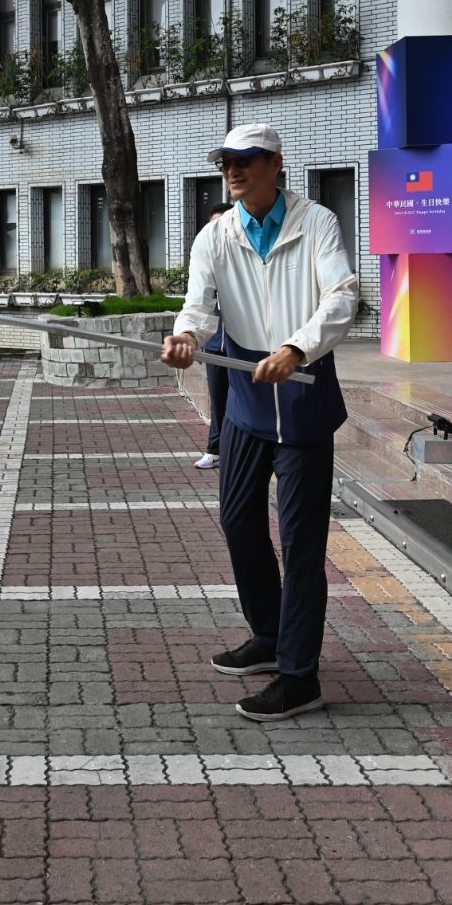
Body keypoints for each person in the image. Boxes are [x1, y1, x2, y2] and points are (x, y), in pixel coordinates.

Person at [163, 123, 358, 723]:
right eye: (226, 162)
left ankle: (299, 676)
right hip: (248, 398)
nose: (233, 171)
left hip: (301, 391)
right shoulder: (216, 235)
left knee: (302, 543)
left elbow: (343, 297)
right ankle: (270, 634)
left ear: (276, 163)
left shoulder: (316, 222)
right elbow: (200, 302)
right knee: (238, 519)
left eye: (246, 161)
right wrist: (186, 334)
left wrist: (298, 349)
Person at [193, 205, 231, 471]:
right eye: (211, 225)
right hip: (216, 343)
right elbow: (198, 303)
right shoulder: (208, 259)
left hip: (248, 347)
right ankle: (215, 449)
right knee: (218, 399)